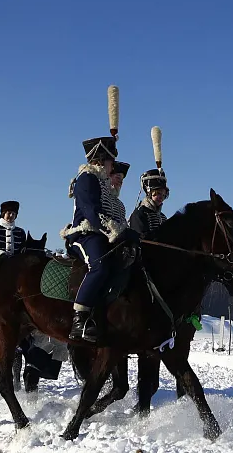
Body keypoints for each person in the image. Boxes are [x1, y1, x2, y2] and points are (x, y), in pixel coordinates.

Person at [59, 136, 137, 343]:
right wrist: (117, 232)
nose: (113, 168)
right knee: (100, 265)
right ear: (101, 160)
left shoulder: (104, 184)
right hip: (84, 234)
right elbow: (91, 212)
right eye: (111, 162)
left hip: (103, 235)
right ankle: (80, 319)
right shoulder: (86, 178)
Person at [129, 168, 169, 237]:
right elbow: (140, 239)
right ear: (150, 193)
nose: (161, 197)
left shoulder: (163, 217)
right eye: (158, 193)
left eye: (163, 195)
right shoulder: (139, 213)